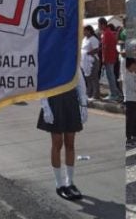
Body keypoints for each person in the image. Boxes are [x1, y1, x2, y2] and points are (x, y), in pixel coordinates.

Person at [37, 73, 89, 201]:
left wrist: (83, 103)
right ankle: (59, 184)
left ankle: (69, 182)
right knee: (57, 144)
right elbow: (42, 81)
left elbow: (79, 80)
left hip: (71, 100)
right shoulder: (51, 57)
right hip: (54, 100)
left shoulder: (72, 57)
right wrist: (45, 106)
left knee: (70, 143)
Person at [98, 18, 122, 101]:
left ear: (103, 24)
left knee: (110, 76)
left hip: (109, 58)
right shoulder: (109, 33)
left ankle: (114, 94)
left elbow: (105, 47)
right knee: (111, 76)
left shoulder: (107, 33)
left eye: (99, 25)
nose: (98, 26)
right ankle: (115, 92)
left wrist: (104, 58)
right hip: (111, 57)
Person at [124, 57, 136, 144]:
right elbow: (134, 87)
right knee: (130, 119)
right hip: (130, 100)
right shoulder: (127, 75)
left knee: (135, 118)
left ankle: (134, 134)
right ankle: (128, 137)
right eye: (134, 64)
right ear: (130, 65)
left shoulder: (133, 74)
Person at [81, 25, 101, 101]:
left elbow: (97, 49)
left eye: (85, 31)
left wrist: (88, 53)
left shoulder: (93, 39)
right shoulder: (84, 39)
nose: (84, 32)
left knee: (94, 78)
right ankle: (89, 93)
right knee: (87, 78)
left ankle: (96, 95)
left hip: (92, 60)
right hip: (84, 61)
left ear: (89, 31)